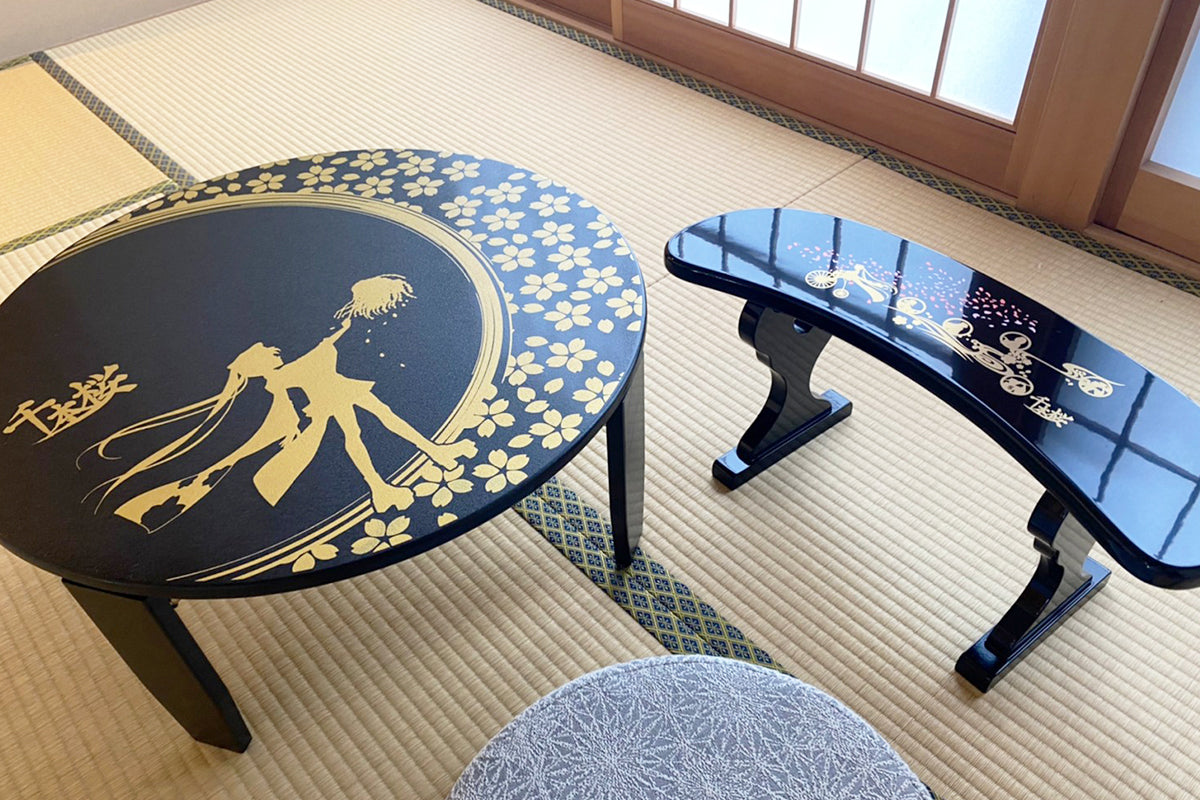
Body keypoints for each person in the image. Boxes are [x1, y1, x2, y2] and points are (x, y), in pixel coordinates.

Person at [87, 275, 476, 532]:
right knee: (357, 435)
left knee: (384, 419)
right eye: (264, 349)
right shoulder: (290, 368)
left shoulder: (315, 346)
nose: (271, 348)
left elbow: (339, 331)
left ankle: (433, 454)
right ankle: (379, 487)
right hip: (330, 397)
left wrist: (357, 309)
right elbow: (315, 353)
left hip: (342, 387)